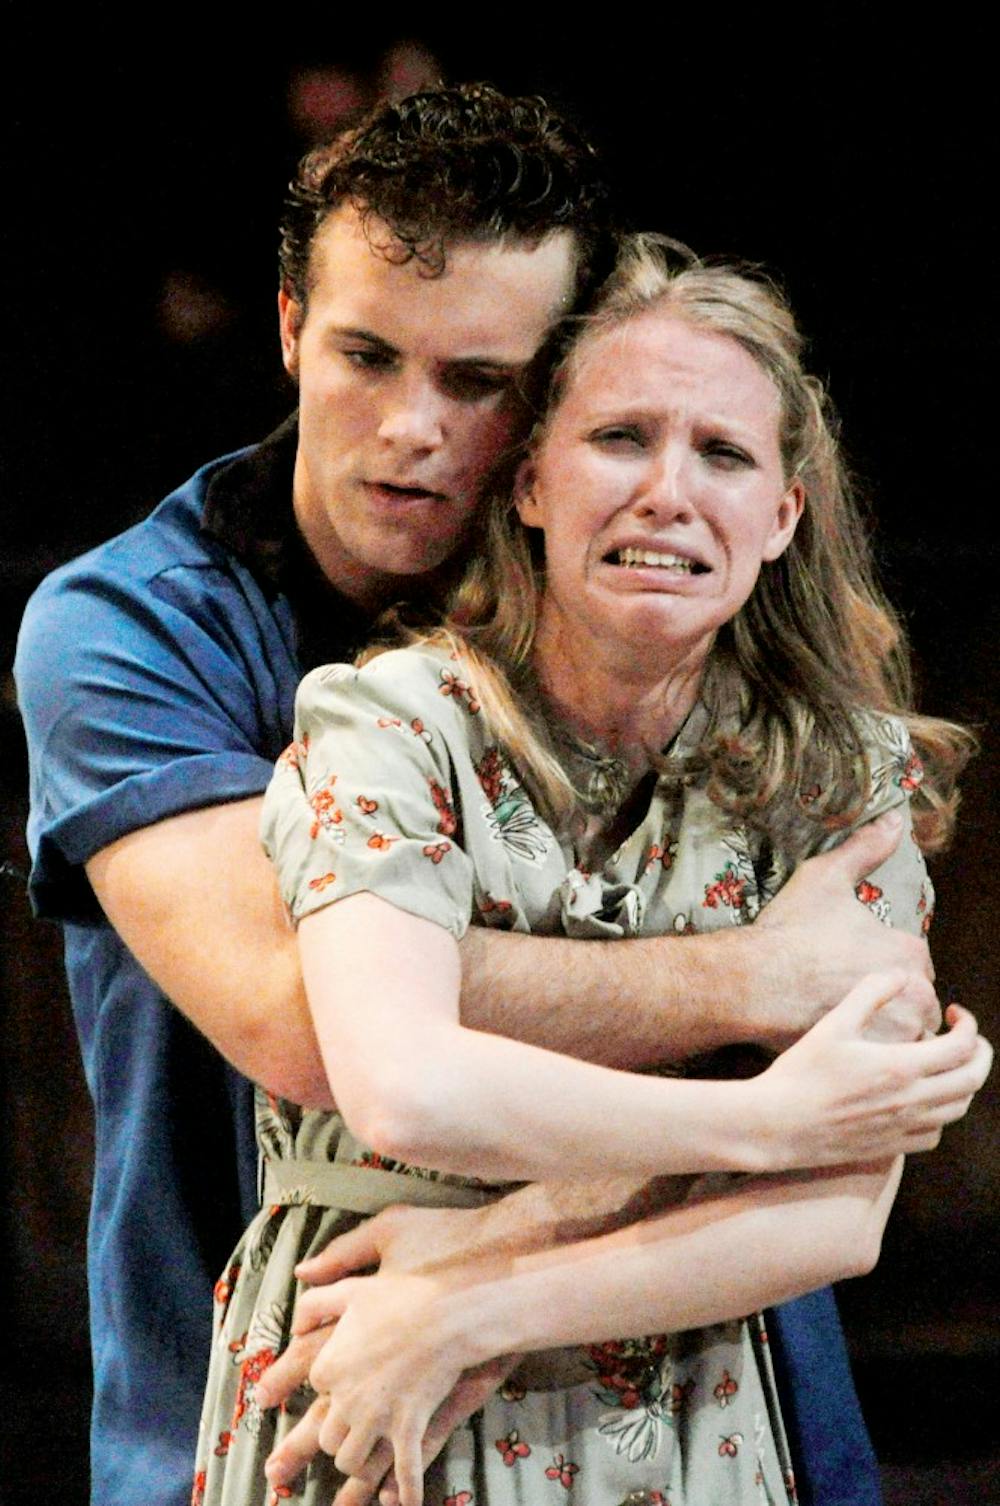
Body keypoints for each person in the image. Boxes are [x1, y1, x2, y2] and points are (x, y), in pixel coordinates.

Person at [14, 87, 936, 1506]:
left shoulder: (717, 659)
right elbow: (309, 1025)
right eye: (365, 355)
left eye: (480, 382)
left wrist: (502, 1266)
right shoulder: (139, 625)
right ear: (285, 330)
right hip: (311, 1359)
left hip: (710, 1371)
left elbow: (856, 1140)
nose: (412, 428)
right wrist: (763, 978)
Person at [190, 235, 991, 1506]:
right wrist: (760, 1125)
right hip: (364, 1372)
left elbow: (837, 1213)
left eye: (722, 455)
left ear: (781, 517)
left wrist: (471, 1307)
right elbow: (404, 1090)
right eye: (620, 438)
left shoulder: (847, 778)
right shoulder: (391, 723)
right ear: (528, 487)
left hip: (666, 1395)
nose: (669, 492)